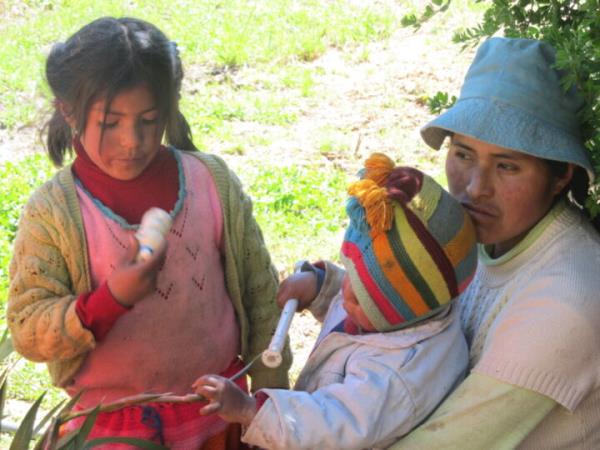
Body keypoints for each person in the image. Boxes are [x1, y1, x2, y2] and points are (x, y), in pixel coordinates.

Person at [6, 17, 290, 449]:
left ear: (169, 107)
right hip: (108, 430)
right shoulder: (53, 213)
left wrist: (273, 401)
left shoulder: (212, 186)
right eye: (110, 122)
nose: (131, 141)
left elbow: (260, 297)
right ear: (68, 110)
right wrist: (110, 299)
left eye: (148, 120)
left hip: (216, 417)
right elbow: (28, 328)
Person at [387, 37, 600, 449]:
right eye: (463, 155)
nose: (476, 188)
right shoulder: (485, 237)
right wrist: (331, 292)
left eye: (507, 166)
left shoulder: (565, 301)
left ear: (561, 176)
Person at [193, 153, 478, 450]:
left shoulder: (396, 378)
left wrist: (252, 411)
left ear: (400, 311)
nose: (346, 292)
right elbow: (363, 290)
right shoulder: (413, 310)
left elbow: (332, 424)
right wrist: (320, 286)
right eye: (350, 273)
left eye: (363, 295)